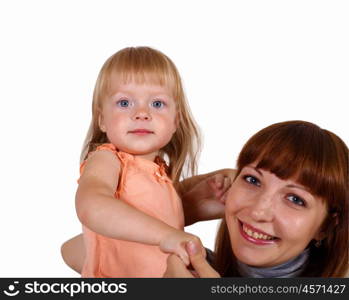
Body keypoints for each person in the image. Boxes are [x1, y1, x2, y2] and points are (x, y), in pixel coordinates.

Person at [64, 46, 233, 277]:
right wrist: (167, 236)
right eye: (124, 103)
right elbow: (91, 206)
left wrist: (199, 200)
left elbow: (153, 213)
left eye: (157, 104)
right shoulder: (107, 159)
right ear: (102, 119)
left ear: (175, 121)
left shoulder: (159, 173)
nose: (142, 113)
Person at [164, 120, 348, 278]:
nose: (258, 211)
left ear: (326, 227)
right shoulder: (188, 270)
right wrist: (178, 211)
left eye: (295, 199)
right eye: (253, 180)